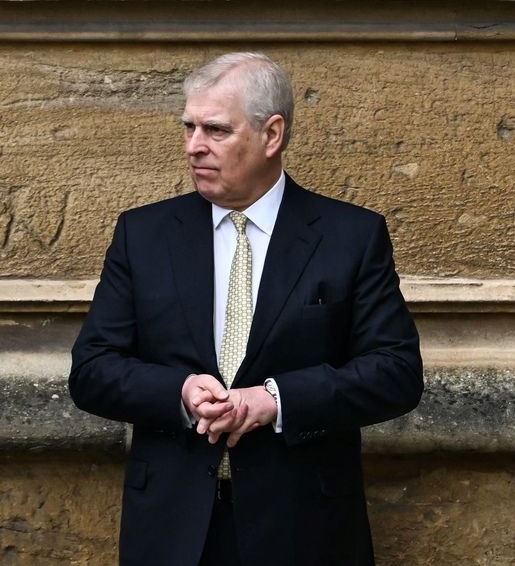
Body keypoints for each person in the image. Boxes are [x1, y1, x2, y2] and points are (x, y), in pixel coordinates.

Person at [69, 52, 423, 566]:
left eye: (215, 130)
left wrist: (276, 401)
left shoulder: (350, 237)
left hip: (305, 529)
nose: (194, 146)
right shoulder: (142, 235)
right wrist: (182, 392)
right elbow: (93, 370)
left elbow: (396, 373)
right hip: (172, 530)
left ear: (271, 135)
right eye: (188, 127)